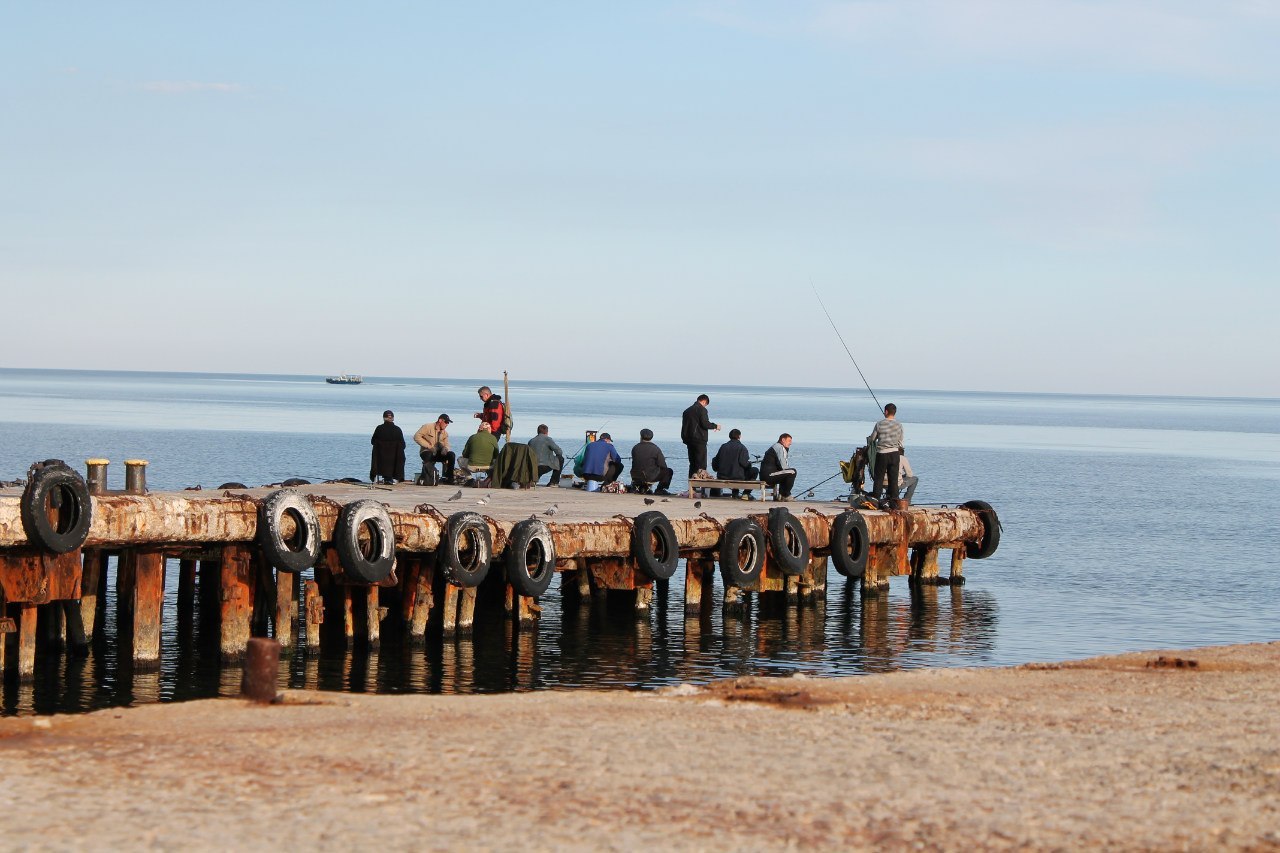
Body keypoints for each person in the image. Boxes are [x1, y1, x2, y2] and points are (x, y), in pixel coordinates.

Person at [869, 403, 904, 506]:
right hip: (894, 454)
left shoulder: (879, 424)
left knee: (879, 477)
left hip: (882, 454)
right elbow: (901, 440)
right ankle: (894, 500)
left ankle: (876, 499)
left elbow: (872, 439)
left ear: (886, 411)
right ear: (894, 412)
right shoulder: (899, 425)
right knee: (893, 478)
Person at [680, 393, 720, 478]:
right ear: (704, 401)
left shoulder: (686, 411)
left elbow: (685, 426)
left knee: (693, 464)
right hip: (699, 440)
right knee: (701, 464)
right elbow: (705, 424)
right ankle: (700, 487)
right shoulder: (702, 410)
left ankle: (691, 487)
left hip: (689, 440)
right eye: (706, 405)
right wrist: (715, 426)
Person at [712, 428, 759, 499]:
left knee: (736, 470)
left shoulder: (723, 446)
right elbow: (744, 464)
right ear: (739, 436)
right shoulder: (742, 448)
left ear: (729, 436)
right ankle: (746, 494)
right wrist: (749, 464)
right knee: (755, 470)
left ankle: (735, 494)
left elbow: (716, 461)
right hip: (737, 477)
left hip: (722, 476)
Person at [413, 414, 455, 485]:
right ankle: (428, 477)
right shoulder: (427, 427)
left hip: (439, 453)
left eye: (448, 423)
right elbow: (416, 437)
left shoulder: (445, 433)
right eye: (446, 422)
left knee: (451, 455)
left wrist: (445, 449)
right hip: (426, 451)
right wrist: (429, 446)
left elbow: (447, 444)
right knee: (428, 455)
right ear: (440, 420)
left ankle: (449, 478)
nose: (447, 424)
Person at [629, 428, 673, 495]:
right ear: (651, 438)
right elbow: (663, 465)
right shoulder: (655, 449)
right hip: (649, 476)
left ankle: (643, 488)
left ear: (641, 437)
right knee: (668, 471)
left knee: (647, 470)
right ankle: (660, 489)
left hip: (635, 475)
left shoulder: (635, 448)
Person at [369, 410, 405, 484]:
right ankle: (392, 478)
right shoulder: (397, 429)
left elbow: (373, 442)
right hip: (395, 459)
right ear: (393, 418)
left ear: (383, 418)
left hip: (380, 459)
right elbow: (403, 445)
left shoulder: (379, 429)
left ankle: (384, 478)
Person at [759, 433, 797, 500]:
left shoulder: (775, 446)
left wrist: (786, 449)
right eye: (789, 441)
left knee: (786, 473)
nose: (790, 443)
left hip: (765, 475)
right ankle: (785, 495)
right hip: (769, 475)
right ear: (783, 440)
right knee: (792, 472)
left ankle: (782, 494)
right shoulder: (780, 447)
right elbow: (784, 466)